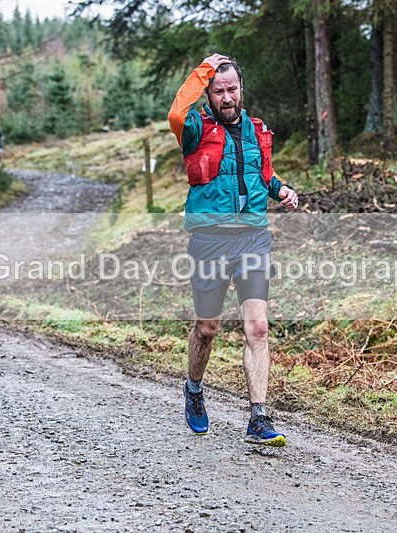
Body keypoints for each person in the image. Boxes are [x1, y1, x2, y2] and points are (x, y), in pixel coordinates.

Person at [168, 53, 299, 447]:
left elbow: (263, 174)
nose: (226, 97)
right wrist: (202, 70)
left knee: (257, 327)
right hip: (209, 241)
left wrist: (282, 190)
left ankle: (258, 417)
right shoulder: (193, 130)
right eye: (218, 91)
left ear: (242, 90)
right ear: (208, 94)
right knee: (208, 328)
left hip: (253, 238)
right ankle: (193, 388)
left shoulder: (258, 131)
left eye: (232, 89)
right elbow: (176, 113)